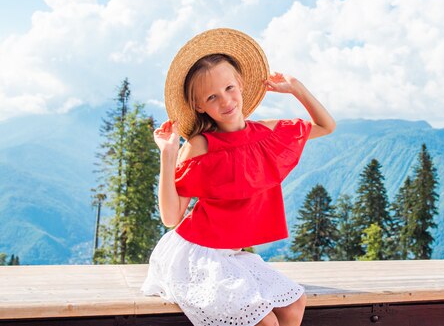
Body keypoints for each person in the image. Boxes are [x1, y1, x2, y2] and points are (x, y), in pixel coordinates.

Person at [141, 28, 335, 326]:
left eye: (230, 88)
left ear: (241, 84)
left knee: (295, 303)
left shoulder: (267, 135)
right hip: (196, 254)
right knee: (265, 322)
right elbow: (170, 217)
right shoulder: (199, 146)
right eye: (212, 96)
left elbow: (326, 126)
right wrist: (167, 156)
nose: (226, 101)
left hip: (231, 255)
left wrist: (296, 87)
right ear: (199, 106)